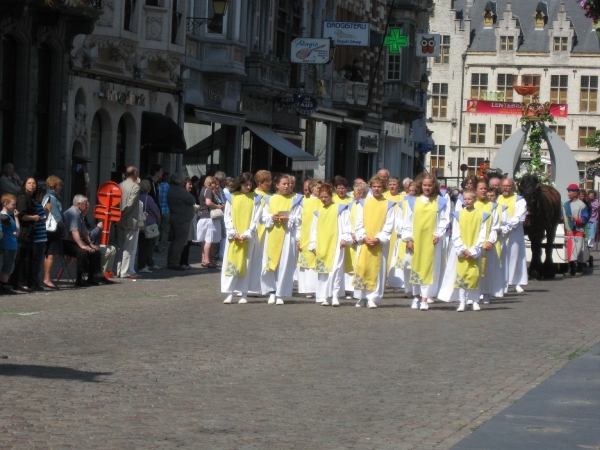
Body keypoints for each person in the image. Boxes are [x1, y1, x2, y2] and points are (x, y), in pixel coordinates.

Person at [401, 173, 450, 311]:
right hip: (416, 240)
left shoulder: (440, 201)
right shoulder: (413, 201)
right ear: (420, 186)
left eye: (429, 185)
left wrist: (438, 234)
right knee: (415, 267)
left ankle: (425, 298)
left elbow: (445, 220)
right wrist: (408, 239)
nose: (427, 187)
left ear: (434, 185)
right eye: (424, 185)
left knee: (429, 268)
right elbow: (407, 222)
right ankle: (416, 296)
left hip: (431, 240)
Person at [352, 175, 395, 309]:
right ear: (371, 187)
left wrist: (378, 238)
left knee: (378, 269)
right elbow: (358, 222)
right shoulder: (363, 203)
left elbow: (389, 224)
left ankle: (373, 297)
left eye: (379, 187)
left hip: (379, 243)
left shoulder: (389, 204)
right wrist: (364, 237)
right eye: (374, 186)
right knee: (363, 267)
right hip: (365, 242)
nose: (377, 189)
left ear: (383, 188)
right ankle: (361, 296)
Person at [260, 174, 303, 305]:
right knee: (272, 264)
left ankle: (280, 293)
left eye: (289, 184)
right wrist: (271, 217)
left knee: (285, 264)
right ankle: (271, 291)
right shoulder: (269, 199)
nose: (287, 186)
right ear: (277, 185)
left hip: (287, 235)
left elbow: (300, 218)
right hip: (272, 234)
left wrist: (289, 218)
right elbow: (262, 217)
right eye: (284, 184)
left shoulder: (296, 199)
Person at [221, 173, 262, 304]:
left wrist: (248, 232)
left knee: (247, 264)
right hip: (234, 237)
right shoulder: (232, 198)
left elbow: (256, 218)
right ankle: (229, 292)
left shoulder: (255, 199)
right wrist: (233, 232)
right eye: (246, 184)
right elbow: (227, 217)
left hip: (247, 237)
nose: (248, 187)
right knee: (231, 263)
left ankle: (244, 293)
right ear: (240, 184)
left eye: (250, 184)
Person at [309, 184, 351, 306]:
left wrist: (345, 238)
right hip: (322, 244)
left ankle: (335, 295)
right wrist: (313, 245)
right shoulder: (318, 212)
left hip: (336, 243)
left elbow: (347, 225)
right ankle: (324, 296)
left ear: (331, 196)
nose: (323, 199)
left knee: (335, 270)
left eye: (326, 197)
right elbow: (314, 230)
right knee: (323, 272)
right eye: (321, 197)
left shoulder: (340, 209)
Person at [449, 190, 488, 312]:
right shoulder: (458, 215)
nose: (467, 201)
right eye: (465, 199)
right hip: (462, 251)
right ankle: (462, 301)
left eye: (469, 199)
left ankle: (475, 300)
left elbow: (482, 233)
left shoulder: (481, 215)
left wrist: (474, 248)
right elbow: (455, 233)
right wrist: (462, 248)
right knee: (462, 275)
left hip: (474, 250)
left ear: (475, 199)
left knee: (474, 276)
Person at [62, 195, 104, 287]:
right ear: (78, 204)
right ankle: (79, 278)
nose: (87, 206)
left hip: (74, 241)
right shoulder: (72, 213)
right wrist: (82, 245)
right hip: (66, 242)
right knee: (82, 252)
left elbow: (84, 230)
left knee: (95, 251)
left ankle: (91, 277)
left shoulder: (80, 214)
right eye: (85, 204)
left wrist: (90, 243)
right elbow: (74, 231)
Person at [497, 177, 528, 293]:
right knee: (500, 258)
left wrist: (508, 226)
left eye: (508, 186)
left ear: (512, 187)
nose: (506, 188)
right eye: (504, 186)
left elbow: (520, 216)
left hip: (514, 232)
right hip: (499, 232)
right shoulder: (497, 199)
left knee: (515, 256)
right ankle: (501, 282)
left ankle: (516, 282)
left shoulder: (519, 200)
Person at [11, 177, 39, 292]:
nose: (32, 185)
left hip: (30, 232)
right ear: (24, 185)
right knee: (22, 257)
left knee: (27, 257)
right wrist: (34, 218)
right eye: (29, 183)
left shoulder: (30, 198)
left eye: (33, 183)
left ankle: (25, 281)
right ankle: (19, 282)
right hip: (24, 231)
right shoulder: (23, 198)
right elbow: (21, 215)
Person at [297, 178, 322, 299]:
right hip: (306, 234)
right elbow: (299, 221)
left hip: (320, 234)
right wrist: (298, 238)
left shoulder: (324, 201)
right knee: (308, 260)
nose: (320, 190)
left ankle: (318, 288)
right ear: (312, 189)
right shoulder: (304, 202)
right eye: (318, 188)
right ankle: (307, 288)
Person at [167, 173, 197, 271]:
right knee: (179, 242)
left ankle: (173, 261)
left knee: (177, 241)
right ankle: (174, 262)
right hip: (181, 220)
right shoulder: (178, 190)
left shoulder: (173, 189)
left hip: (179, 218)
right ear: (180, 182)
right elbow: (192, 199)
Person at [115, 167, 141, 279]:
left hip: (118, 219)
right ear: (135, 173)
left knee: (120, 246)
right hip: (129, 220)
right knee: (128, 247)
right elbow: (130, 204)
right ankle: (124, 271)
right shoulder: (135, 186)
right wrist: (122, 214)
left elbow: (116, 202)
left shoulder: (119, 185)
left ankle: (118, 270)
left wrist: (118, 215)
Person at [344, 181, 368, 297]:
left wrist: (358, 234)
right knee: (349, 264)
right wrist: (351, 233)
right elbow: (348, 220)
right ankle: (348, 288)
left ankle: (356, 289)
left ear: (361, 193)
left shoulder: (365, 205)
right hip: (351, 238)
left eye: (355, 193)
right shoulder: (351, 205)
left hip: (360, 239)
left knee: (358, 263)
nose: (353, 195)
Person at [42, 176, 65, 290]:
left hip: (48, 229)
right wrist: (64, 230)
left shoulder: (48, 196)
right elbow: (57, 216)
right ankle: (47, 278)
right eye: (59, 185)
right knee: (51, 254)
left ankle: (46, 278)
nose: (60, 187)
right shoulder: (52, 197)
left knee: (48, 254)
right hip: (53, 230)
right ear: (54, 185)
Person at [197, 176, 224, 269]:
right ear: (210, 183)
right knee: (209, 240)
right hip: (210, 218)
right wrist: (218, 206)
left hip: (203, 217)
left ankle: (204, 259)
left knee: (205, 240)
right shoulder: (208, 190)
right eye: (213, 183)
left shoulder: (202, 189)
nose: (215, 185)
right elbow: (208, 203)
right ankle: (207, 261)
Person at [562, 184, 589, 277]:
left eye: (570, 191)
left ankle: (579, 268)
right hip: (569, 232)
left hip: (578, 231)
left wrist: (576, 219)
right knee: (570, 251)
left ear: (575, 193)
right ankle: (571, 268)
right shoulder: (566, 204)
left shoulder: (582, 205)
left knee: (578, 250)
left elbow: (585, 218)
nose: (568, 193)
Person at [137, 180, 161, 273]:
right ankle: (143, 265)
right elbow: (155, 210)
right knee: (148, 246)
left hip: (140, 224)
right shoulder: (148, 198)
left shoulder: (138, 197)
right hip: (149, 224)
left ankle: (144, 263)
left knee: (142, 245)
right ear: (148, 189)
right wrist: (158, 218)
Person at [0, 194, 20, 292]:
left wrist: (16, 217)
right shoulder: (4, 217)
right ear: (5, 204)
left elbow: (17, 230)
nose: (14, 207)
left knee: (8, 265)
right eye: (13, 204)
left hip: (11, 243)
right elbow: (17, 229)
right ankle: (3, 285)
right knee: (8, 265)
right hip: (8, 244)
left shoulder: (9, 217)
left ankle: (4, 284)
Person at [179, 178, 199, 270]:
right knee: (184, 243)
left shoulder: (190, 194)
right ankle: (182, 262)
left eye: (191, 184)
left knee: (189, 242)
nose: (191, 186)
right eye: (189, 184)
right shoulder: (183, 195)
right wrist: (195, 208)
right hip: (185, 221)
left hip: (191, 221)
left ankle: (185, 262)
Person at [32, 187, 47, 290]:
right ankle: (35, 281)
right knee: (37, 261)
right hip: (40, 238)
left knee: (35, 261)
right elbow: (44, 220)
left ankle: (34, 280)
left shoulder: (34, 206)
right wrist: (47, 211)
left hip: (37, 237)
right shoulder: (38, 206)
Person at [157, 171, 170, 253]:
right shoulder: (169, 187)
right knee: (165, 230)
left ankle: (155, 244)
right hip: (166, 210)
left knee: (157, 229)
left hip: (158, 210)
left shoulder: (158, 186)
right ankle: (162, 247)